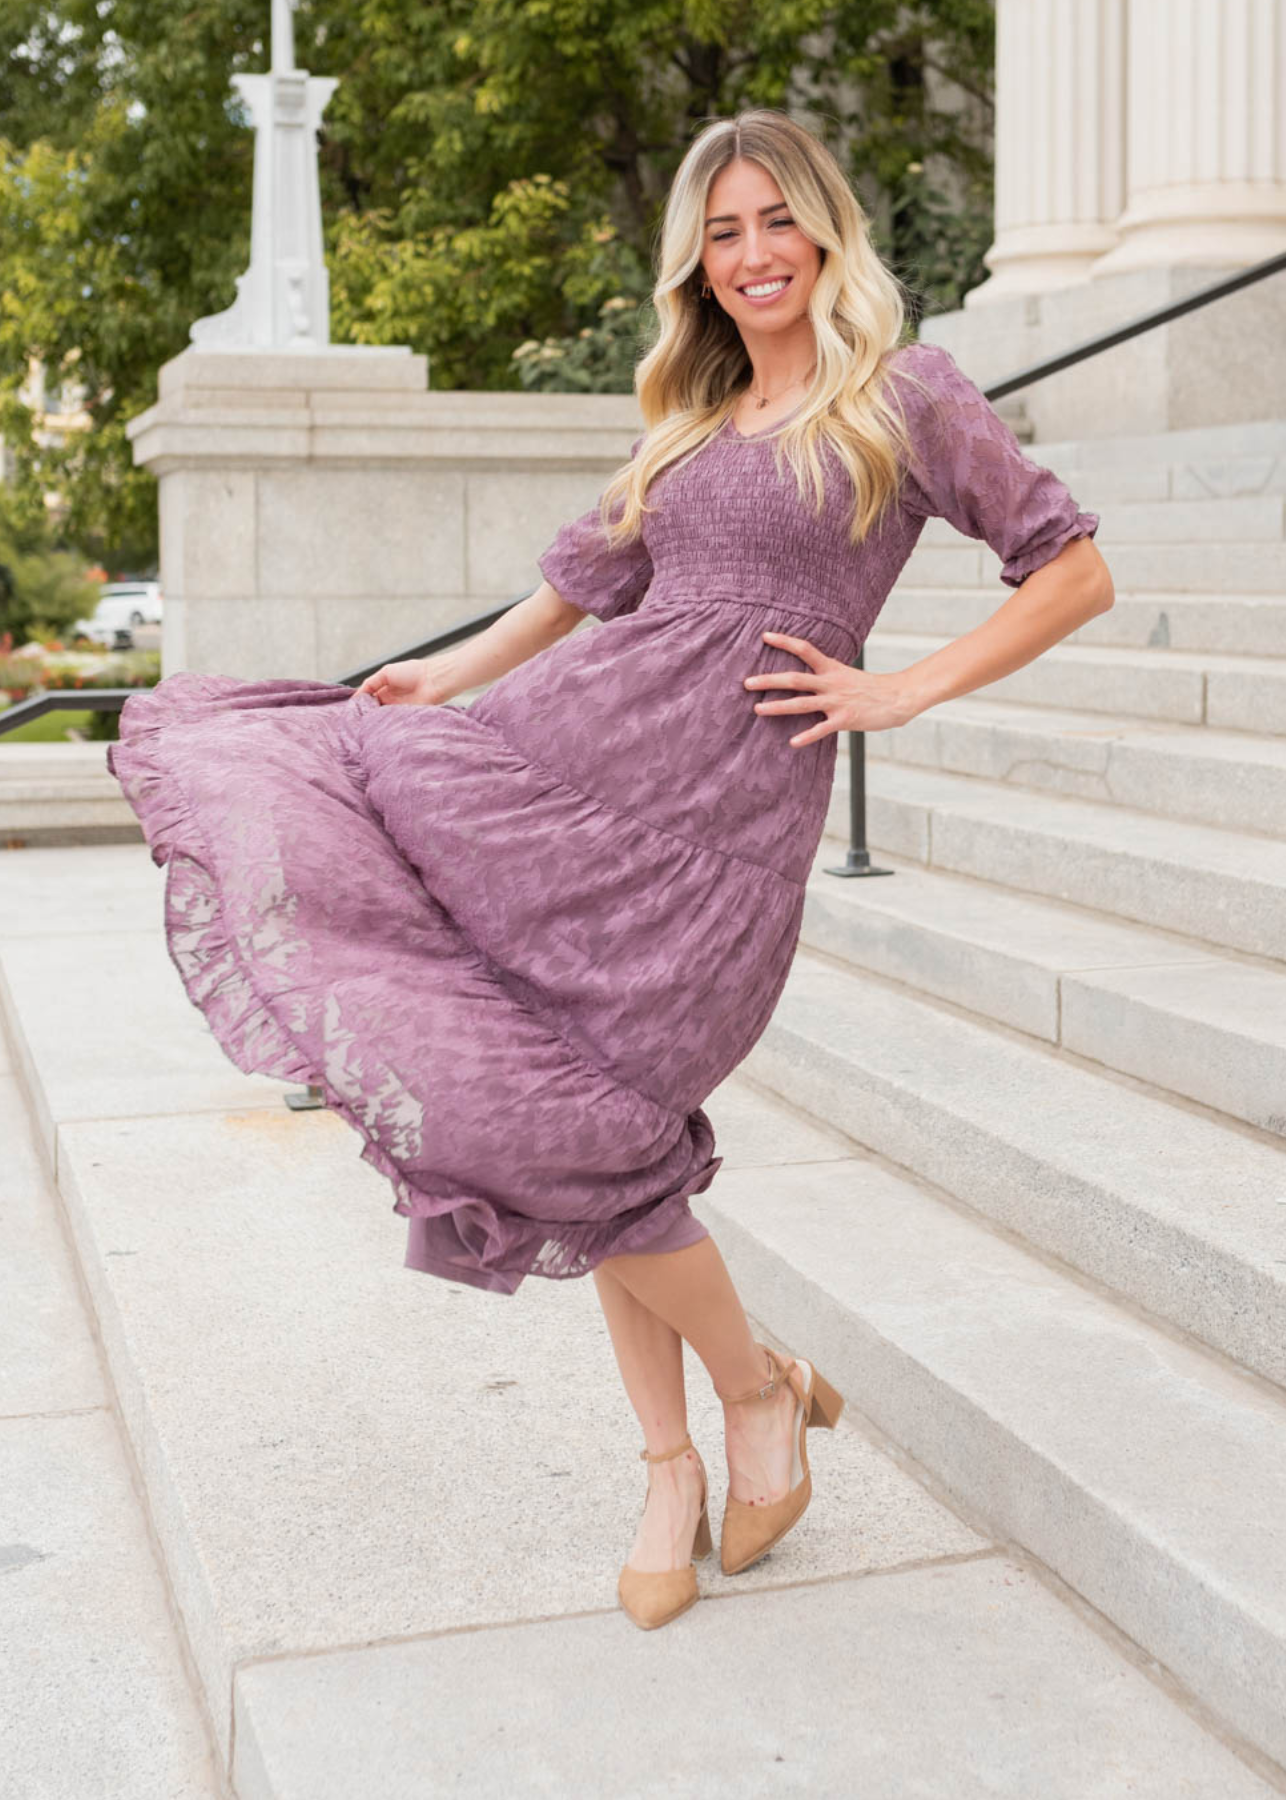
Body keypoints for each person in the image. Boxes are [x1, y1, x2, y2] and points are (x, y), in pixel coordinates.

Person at [108, 108, 1111, 1634]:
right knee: (546, 1130)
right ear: (694, 268)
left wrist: (895, 691)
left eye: (775, 221)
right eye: (721, 233)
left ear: (826, 231)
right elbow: (574, 587)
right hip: (557, 785)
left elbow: (1072, 566)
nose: (753, 254)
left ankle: (756, 1398)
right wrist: (441, 687)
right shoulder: (690, 421)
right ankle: (681, 1456)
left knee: (599, 1137)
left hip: (714, 848)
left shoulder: (903, 395)